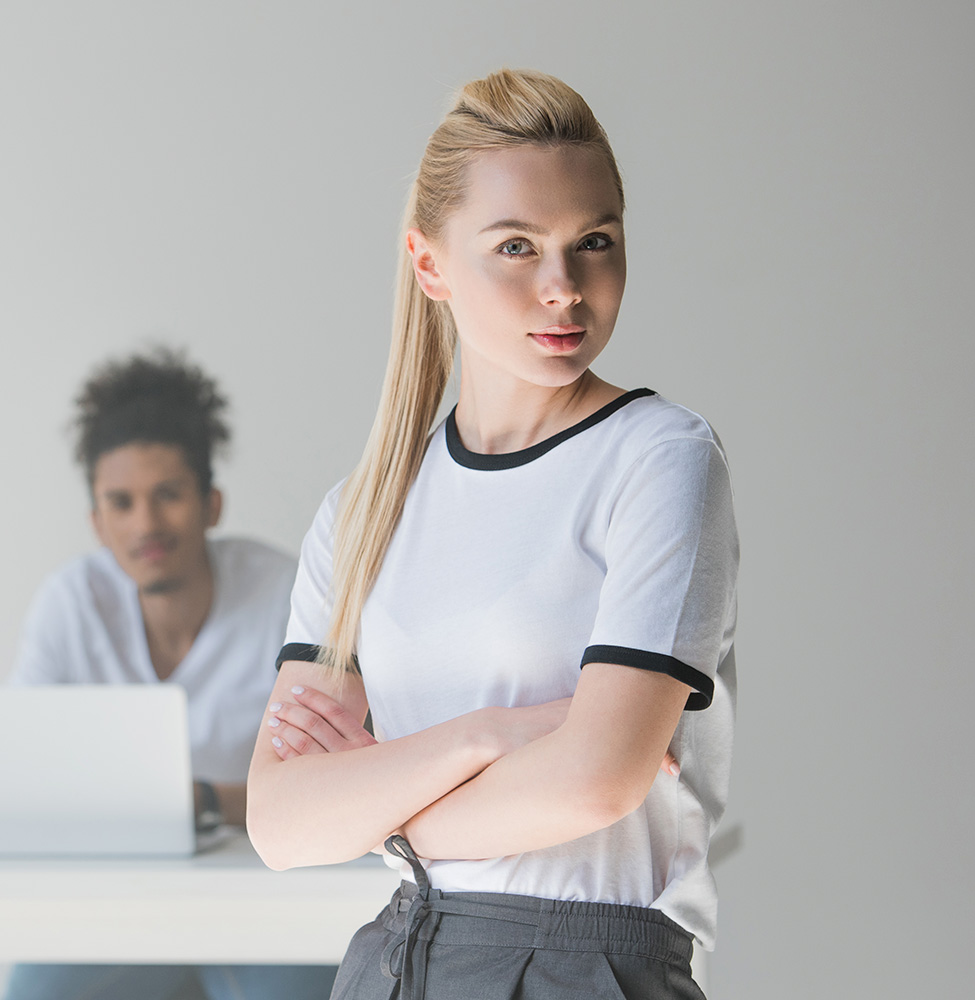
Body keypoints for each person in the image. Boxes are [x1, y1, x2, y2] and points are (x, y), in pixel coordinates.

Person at [247, 69, 738, 1000]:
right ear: (429, 263)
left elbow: (595, 782)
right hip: (395, 962)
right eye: (517, 246)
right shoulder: (364, 510)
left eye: (593, 242)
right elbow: (280, 822)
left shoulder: (659, 457)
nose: (564, 288)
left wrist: (378, 809)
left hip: (582, 966)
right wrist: (493, 735)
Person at [6, 349, 337, 1000]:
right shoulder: (69, 603)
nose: (146, 524)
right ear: (97, 522)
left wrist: (206, 802)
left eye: (168, 495)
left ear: (211, 504)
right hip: (117, 896)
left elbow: (334, 780)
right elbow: (23, 771)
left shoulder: (286, 594)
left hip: (265, 889)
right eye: (121, 503)